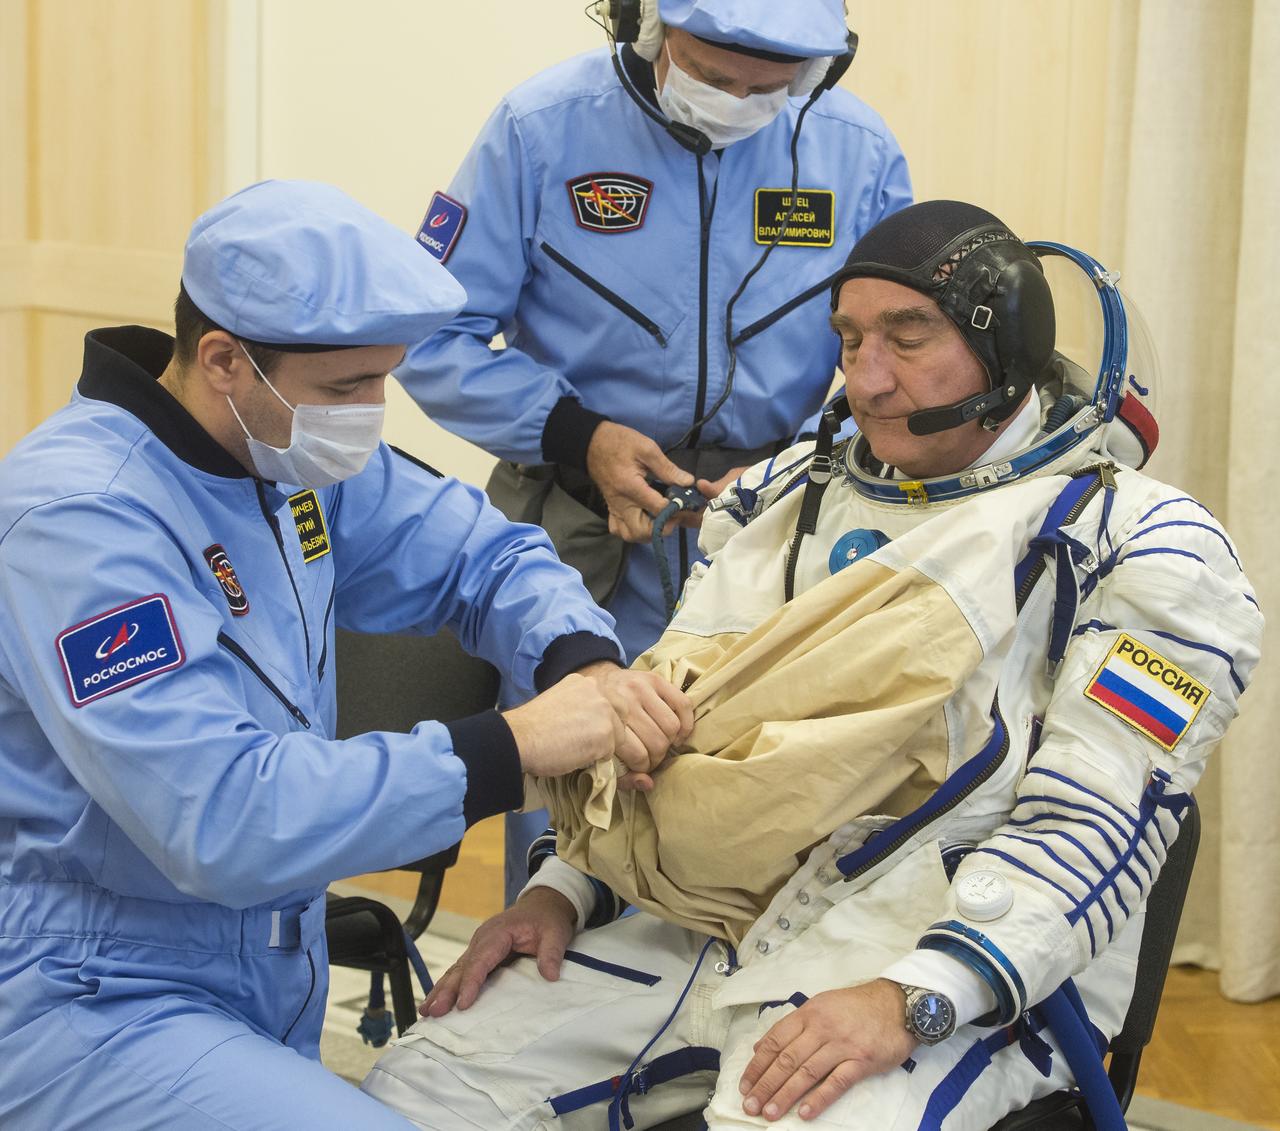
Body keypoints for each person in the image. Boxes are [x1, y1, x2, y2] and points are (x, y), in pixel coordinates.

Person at [362, 201, 1263, 1130]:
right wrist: (564, 887)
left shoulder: (1143, 549)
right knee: (419, 1091)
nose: (867, 380)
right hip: (701, 921)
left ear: (1007, 350)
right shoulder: (789, 495)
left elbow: (1097, 821)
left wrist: (916, 994)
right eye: (848, 340)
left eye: (908, 338)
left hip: (942, 958)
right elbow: (663, 726)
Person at [0, 179, 693, 1130]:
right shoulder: (84, 521)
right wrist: (514, 744)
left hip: (263, 971)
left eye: (383, 379)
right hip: (91, 995)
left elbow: (486, 556)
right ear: (223, 361)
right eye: (345, 388)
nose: (369, 412)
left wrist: (583, 665)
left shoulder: (281, 464)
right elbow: (224, 817)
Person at [398, 0, 911, 902]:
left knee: (758, 819)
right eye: (714, 77)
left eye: (774, 86)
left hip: (774, 530)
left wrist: (797, 465)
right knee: (573, 825)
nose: (743, 102)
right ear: (641, 22)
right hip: (582, 533)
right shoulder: (540, 130)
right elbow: (428, 336)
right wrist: (578, 436)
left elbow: (895, 350)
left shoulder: (855, 149)